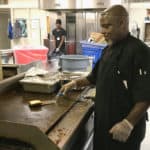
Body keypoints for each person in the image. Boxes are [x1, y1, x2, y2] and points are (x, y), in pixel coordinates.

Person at [60, 5, 150, 150]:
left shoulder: (140, 51)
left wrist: (127, 124)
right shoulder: (108, 49)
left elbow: (145, 97)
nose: (103, 31)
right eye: (102, 26)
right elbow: (93, 78)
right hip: (103, 125)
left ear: (122, 23)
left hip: (123, 132)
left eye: (107, 26)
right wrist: (75, 83)